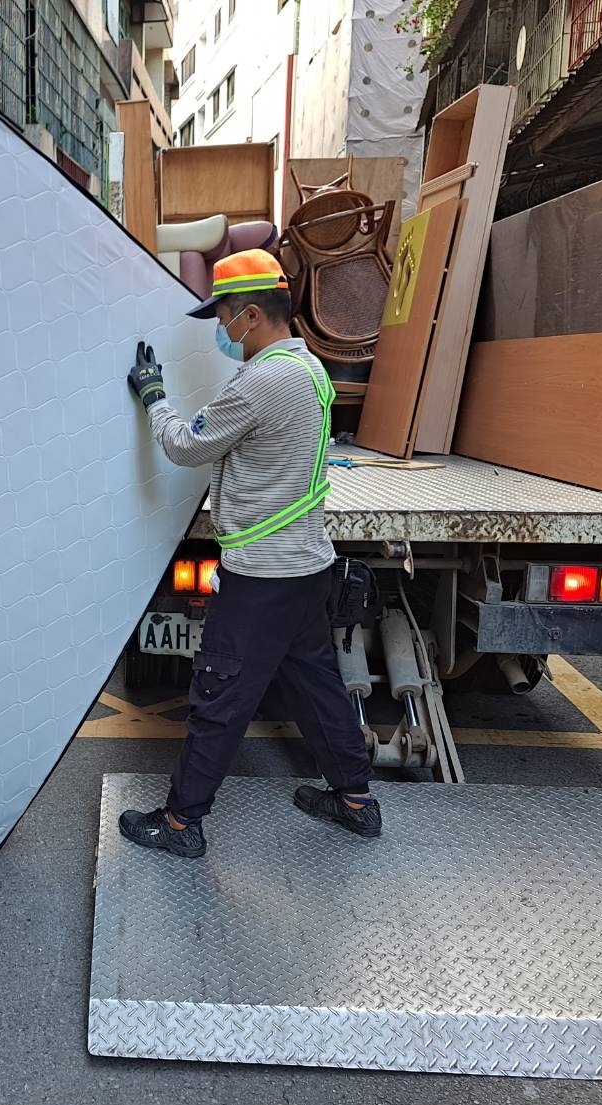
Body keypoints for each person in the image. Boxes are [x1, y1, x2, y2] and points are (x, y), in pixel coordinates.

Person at [121, 249, 378, 858]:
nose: (221, 330)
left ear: (253, 315)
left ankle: (183, 824)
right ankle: (355, 799)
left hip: (263, 574)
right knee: (317, 686)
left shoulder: (265, 380)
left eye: (225, 317)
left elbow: (186, 448)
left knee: (219, 691)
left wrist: (155, 397)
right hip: (305, 564)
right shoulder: (309, 369)